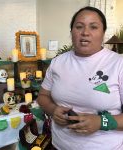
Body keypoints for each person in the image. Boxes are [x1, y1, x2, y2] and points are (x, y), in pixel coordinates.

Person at [37, 6, 123, 150]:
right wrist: (53, 110)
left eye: (94, 27)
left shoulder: (119, 63)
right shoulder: (58, 62)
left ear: (103, 33)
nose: (85, 33)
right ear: (71, 32)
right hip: (60, 145)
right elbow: (43, 96)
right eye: (79, 27)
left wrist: (101, 122)